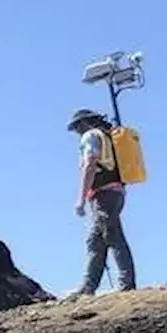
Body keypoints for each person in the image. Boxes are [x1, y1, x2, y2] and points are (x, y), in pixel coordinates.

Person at [66, 107, 136, 296]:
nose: (77, 132)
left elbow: (90, 163)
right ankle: (88, 287)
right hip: (116, 192)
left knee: (112, 235)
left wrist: (80, 199)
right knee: (95, 240)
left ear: (84, 123)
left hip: (103, 194)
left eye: (77, 127)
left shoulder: (90, 136)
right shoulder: (108, 136)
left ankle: (126, 284)